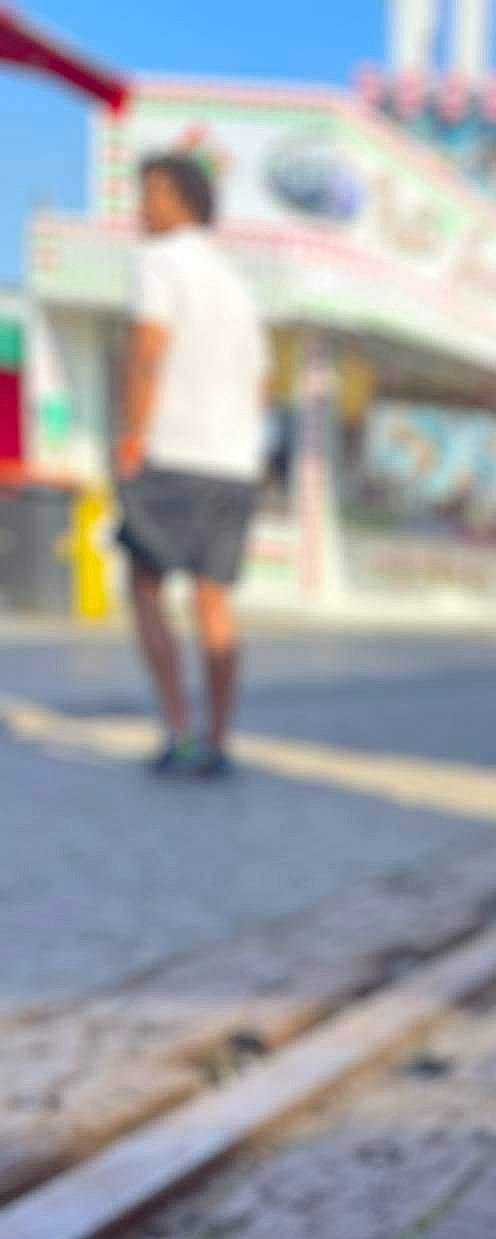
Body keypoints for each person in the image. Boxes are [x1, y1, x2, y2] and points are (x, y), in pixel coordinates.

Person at [115, 153, 268, 777]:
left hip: (174, 453)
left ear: (182, 200)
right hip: (233, 462)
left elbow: (150, 350)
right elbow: (260, 383)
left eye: (150, 193)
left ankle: (178, 731)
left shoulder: (159, 261)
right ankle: (221, 742)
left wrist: (131, 435)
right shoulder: (237, 283)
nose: (141, 207)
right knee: (214, 600)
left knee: (146, 586)